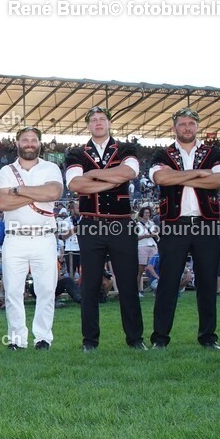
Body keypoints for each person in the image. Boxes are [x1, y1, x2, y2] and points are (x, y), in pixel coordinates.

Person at [64, 106, 146, 351]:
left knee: (128, 283)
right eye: (93, 120)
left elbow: (130, 172)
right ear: (88, 125)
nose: (98, 123)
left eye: (102, 119)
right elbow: (75, 184)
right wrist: (113, 176)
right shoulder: (76, 152)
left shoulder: (126, 148)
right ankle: (90, 341)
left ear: (109, 123)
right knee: (89, 284)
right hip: (91, 225)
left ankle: (135, 339)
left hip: (121, 224)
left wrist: (94, 176)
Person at [148, 108, 220, 350]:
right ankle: (160, 338)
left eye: (191, 123)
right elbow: (161, 179)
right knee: (168, 283)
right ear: (174, 127)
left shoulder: (212, 152)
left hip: (206, 223)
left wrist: (179, 176)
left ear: (197, 127)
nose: (187, 127)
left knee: (207, 282)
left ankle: (208, 337)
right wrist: (201, 174)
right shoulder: (162, 153)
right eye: (182, 124)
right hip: (175, 224)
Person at [0, 127, 65, 350]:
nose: (29, 143)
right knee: (13, 291)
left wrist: (18, 191)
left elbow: (53, 194)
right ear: (17, 143)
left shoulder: (51, 167)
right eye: (24, 140)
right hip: (14, 238)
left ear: (39, 144)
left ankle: (43, 337)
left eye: (33, 140)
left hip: (44, 237)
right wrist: (36, 193)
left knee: (46, 289)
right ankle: (17, 339)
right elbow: (2, 203)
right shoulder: (6, 170)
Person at [135, 206, 158, 295]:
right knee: (140, 270)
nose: (147, 214)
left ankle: (155, 288)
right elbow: (135, 238)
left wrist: (155, 235)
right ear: (142, 214)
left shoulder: (152, 224)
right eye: (145, 213)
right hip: (142, 246)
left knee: (155, 268)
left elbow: (155, 234)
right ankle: (139, 290)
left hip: (152, 245)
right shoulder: (137, 225)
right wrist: (146, 236)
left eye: (148, 213)